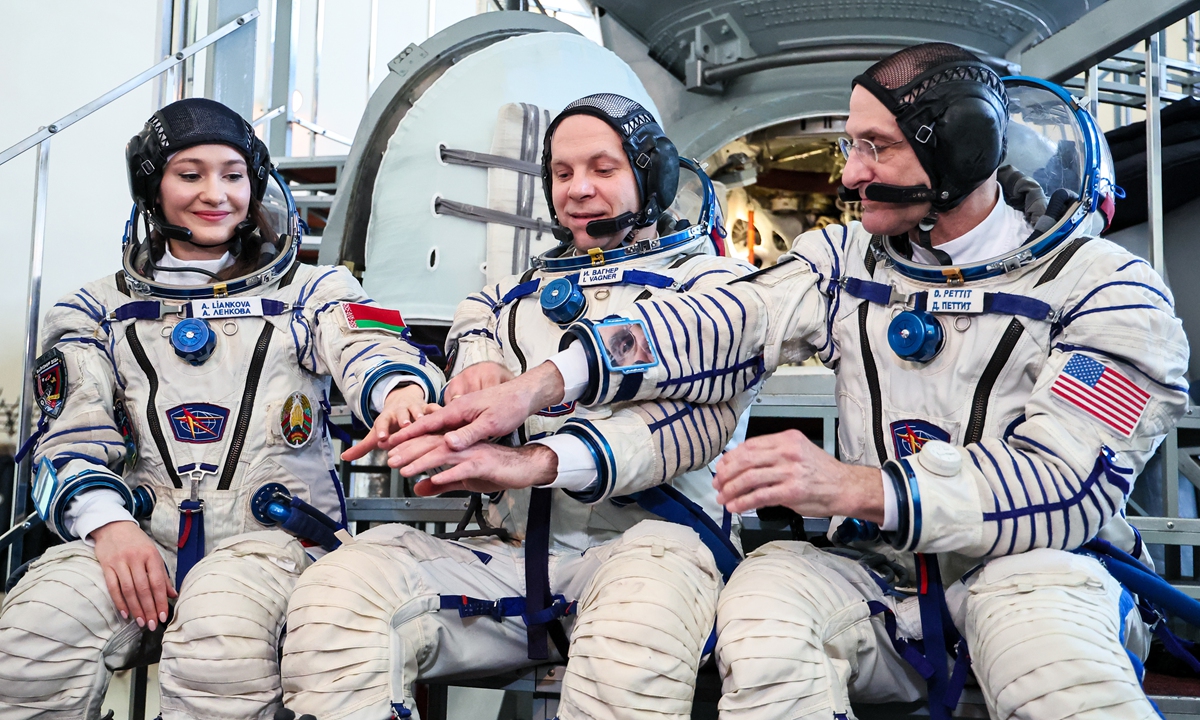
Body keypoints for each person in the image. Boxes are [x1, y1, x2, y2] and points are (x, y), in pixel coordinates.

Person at [391, 46, 1190, 719]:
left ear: (961, 150)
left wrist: (859, 487)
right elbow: (723, 324)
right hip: (878, 574)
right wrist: (541, 384)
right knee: (762, 613)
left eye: (875, 149)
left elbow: (1064, 485)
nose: (849, 174)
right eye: (852, 146)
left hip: (1043, 565)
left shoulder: (1106, 290)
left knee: (1050, 655)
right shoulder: (844, 261)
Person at [279, 94, 756, 720]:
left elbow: (673, 429)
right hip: (510, 559)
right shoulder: (505, 301)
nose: (578, 189)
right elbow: (477, 324)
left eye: (602, 169)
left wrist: (531, 459)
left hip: (655, 558)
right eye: (561, 173)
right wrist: (468, 373)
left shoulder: (718, 291)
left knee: (630, 643)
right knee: (339, 598)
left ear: (652, 176)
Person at [0, 98, 444, 720]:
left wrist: (399, 392)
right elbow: (66, 439)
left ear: (254, 182)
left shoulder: (312, 291)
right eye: (190, 174)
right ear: (152, 185)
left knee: (219, 646)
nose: (216, 193)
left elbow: (368, 346)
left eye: (233, 175)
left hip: (273, 544)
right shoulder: (92, 309)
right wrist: (109, 525)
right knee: (30, 637)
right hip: (137, 542)